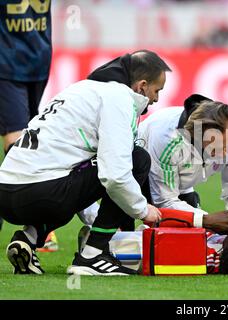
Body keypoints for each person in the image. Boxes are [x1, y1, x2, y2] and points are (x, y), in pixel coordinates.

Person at [0, 50, 171, 276]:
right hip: (42, 192)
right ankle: (92, 254)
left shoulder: (80, 89)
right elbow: (114, 175)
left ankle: (28, 237)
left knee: (65, 188)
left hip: (7, 195)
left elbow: (79, 177)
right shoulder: (118, 98)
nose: (157, 98)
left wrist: (94, 219)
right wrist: (141, 209)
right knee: (137, 158)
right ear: (141, 86)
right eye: (157, 90)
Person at [138, 95, 228, 221]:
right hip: (143, 174)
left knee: (196, 230)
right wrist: (206, 219)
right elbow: (165, 201)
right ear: (199, 137)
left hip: (183, 179)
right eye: (218, 147)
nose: (227, 153)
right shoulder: (166, 139)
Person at [0, 0, 52, 235]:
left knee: (32, 144)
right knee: (17, 144)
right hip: (6, 66)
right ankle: (36, 223)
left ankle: (36, 221)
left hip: (39, 62)